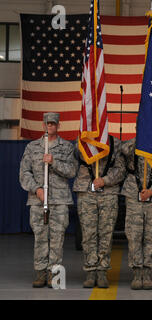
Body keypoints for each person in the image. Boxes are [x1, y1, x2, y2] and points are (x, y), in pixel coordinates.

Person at [19, 112, 77, 288]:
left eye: (53, 123)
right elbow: (24, 172)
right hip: (38, 201)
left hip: (59, 201)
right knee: (40, 237)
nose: (50, 126)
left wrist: (54, 163)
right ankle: (40, 273)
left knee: (57, 239)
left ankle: (55, 274)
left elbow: (72, 171)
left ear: (58, 126)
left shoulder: (66, 147)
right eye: (47, 123)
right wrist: (37, 189)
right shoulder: (32, 147)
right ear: (43, 125)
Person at [73, 135, 125, 288]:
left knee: (106, 234)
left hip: (108, 192)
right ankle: (90, 271)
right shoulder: (81, 141)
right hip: (86, 191)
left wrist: (105, 180)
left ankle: (102, 271)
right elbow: (73, 162)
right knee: (88, 234)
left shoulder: (115, 143)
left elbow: (121, 169)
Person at [121, 138, 152, 290]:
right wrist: (140, 140)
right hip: (134, 194)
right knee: (134, 235)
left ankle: (146, 273)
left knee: (151, 235)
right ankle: (136, 272)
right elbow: (123, 152)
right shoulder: (131, 144)